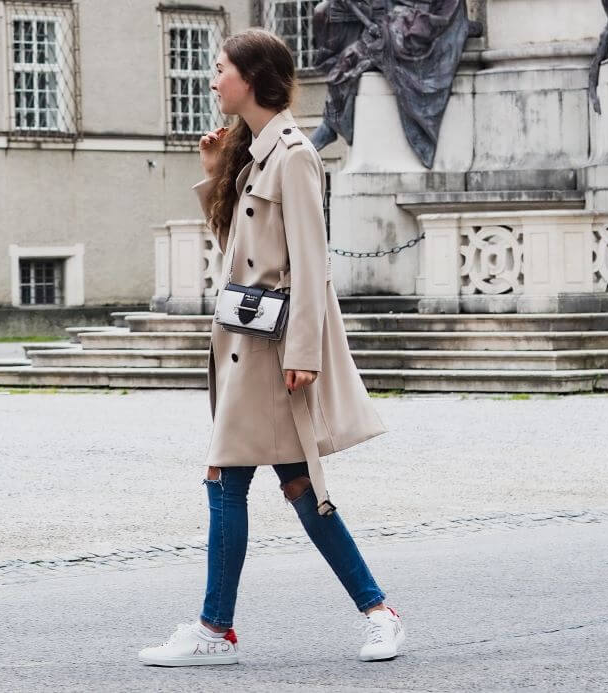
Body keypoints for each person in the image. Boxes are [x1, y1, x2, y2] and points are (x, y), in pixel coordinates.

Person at [138, 28, 404, 667]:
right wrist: (213, 177)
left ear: (253, 78)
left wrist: (303, 354)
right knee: (291, 485)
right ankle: (372, 612)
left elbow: (313, 265)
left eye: (221, 67)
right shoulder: (255, 152)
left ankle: (220, 628)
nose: (212, 77)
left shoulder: (294, 155)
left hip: (276, 350)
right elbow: (240, 250)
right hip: (246, 345)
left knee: (255, 481)